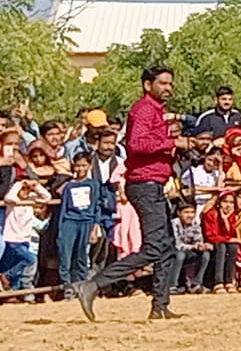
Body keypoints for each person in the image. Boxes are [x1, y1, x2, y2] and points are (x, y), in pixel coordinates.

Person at [75, 64, 199, 322]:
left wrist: (181, 147)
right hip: (144, 185)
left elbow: (150, 146)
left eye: (170, 84)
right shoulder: (142, 109)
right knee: (155, 247)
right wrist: (173, 142)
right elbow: (135, 144)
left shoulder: (156, 112)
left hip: (153, 184)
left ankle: (160, 305)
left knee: (166, 247)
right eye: (163, 83)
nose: (168, 88)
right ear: (147, 85)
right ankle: (93, 285)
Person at [55, 151, 114, 294]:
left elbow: (96, 207)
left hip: (86, 222)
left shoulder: (93, 184)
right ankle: (67, 286)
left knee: (82, 255)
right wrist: (61, 227)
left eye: (83, 165)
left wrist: (95, 228)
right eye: (77, 166)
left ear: (89, 165)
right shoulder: (69, 185)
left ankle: (80, 284)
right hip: (70, 221)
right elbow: (63, 204)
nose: (80, 169)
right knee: (65, 255)